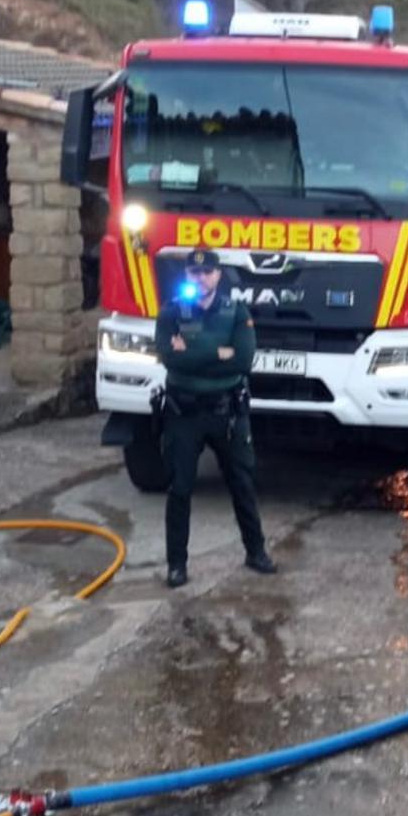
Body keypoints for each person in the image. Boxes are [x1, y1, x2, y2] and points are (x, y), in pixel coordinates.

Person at [153, 248, 276, 589]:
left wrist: (191, 351)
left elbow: (243, 360)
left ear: (218, 275)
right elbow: (167, 356)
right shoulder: (172, 311)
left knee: (243, 484)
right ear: (187, 277)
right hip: (184, 414)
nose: (201, 278)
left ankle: (256, 552)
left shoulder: (235, 311)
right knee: (179, 490)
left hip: (227, 415)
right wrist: (218, 352)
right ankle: (177, 565)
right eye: (195, 274)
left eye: (208, 272)